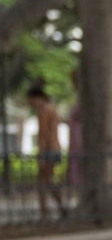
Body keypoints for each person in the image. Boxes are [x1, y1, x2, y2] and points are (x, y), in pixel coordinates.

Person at [27, 84, 67, 220]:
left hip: (49, 149)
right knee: (48, 182)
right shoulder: (51, 108)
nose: (31, 104)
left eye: (31, 100)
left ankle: (45, 214)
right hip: (55, 148)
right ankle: (61, 207)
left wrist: (41, 153)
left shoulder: (44, 110)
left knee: (43, 182)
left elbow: (43, 134)